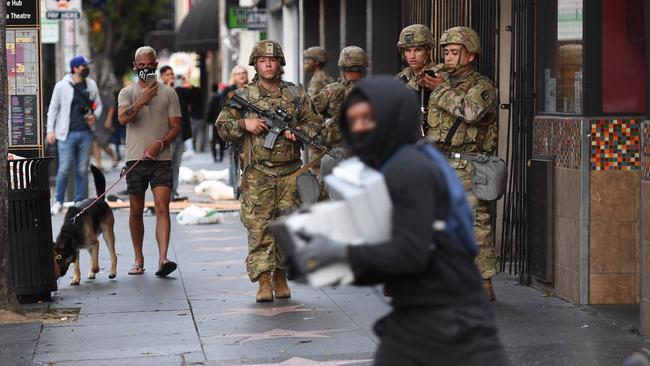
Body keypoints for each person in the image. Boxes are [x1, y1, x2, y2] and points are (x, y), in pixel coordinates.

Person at [292, 76, 510, 365]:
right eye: (353, 120)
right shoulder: (405, 160)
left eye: (369, 119)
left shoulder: (411, 169)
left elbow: (409, 251)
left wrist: (334, 257)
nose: (359, 128)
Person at [216, 40, 321, 302]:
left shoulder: (295, 94)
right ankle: (263, 281)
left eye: (272, 60)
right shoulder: (244, 96)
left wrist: (299, 135)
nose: (268, 64)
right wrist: (245, 123)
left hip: (290, 173)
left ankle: (280, 276)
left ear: (280, 63)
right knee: (258, 227)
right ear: (255, 64)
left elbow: (314, 123)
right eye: (262, 60)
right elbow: (222, 127)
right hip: (258, 172)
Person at [423, 27, 500, 300]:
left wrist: (439, 89)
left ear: (470, 55)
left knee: (475, 225)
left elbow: (471, 111)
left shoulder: (483, 86)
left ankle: (483, 282)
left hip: (468, 166)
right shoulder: (440, 81)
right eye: (446, 52)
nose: (449, 57)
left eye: (455, 52)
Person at [117, 46, 182, 277]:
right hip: (135, 159)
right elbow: (123, 118)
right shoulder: (127, 93)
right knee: (136, 210)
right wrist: (143, 100)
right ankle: (138, 258)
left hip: (161, 160)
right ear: (135, 67)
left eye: (149, 65)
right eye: (141, 65)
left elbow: (176, 126)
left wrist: (160, 144)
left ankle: (163, 259)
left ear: (156, 65)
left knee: (162, 208)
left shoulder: (169, 93)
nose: (145, 69)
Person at [47, 55, 103, 214]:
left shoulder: (91, 84)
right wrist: (50, 131)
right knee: (64, 168)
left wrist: (94, 116)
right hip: (66, 134)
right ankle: (58, 201)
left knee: (81, 169)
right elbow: (53, 109)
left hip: (85, 133)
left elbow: (97, 104)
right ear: (75, 68)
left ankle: (81, 201)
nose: (86, 69)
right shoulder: (62, 86)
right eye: (83, 66)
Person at [311, 46, 368, 148]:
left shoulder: (332, 90)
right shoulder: (372, 89)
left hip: (338, 150)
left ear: (342, 67)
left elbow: (309, 111)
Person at [395, 24, 437, 134]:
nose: (412, 56)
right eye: (408, 50)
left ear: (428, 50)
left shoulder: (439, 76)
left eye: (417, 50)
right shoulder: (400, 78)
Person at [160, 65, 192, 201]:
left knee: (176, 165)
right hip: (165, 135)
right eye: (167, 75)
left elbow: (196, 97)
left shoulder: (179, 91)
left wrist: (188, 84)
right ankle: (165, 193)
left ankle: (174, 192)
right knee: (166, 165)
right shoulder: (158, 91)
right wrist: (168, 88)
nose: (171, 77)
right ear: (161, 77)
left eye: (172, 75)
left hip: (179, 133)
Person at [205, 65, 249, 162]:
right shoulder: (228, 90)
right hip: (233, 127)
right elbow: (223, 105)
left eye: (243, 73)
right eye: (238, 73)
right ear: (234, 76)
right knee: (234, 159)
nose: (241, 75)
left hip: (249, 128)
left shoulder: (252, 89)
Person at [92, 88, 118, 170]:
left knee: (103, 145)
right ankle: (99, 165)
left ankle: (112, 154)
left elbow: (111, 107)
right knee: (95, 144)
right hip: (95, 124)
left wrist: (109, 119)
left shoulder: (104, 97)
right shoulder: (92, 97)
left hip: (104, 124)